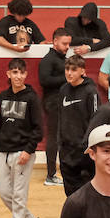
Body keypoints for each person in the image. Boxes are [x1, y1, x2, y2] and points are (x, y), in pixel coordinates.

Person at [0, 58, 47, 218]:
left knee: (19, 194)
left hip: (23, 152)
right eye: (14, 72)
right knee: (5, 193)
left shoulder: (31, 98)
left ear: (25, 74)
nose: (17, 76)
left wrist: (29, 149)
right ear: (8, 74)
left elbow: (38, 129)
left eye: (21, 72)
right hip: (3, 151)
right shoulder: (2, 96)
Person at [57, 54, 101, 197]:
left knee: (87, 194)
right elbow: (61, 118)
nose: (69, 73)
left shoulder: (91, 91)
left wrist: (87, 146)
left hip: (84, 153)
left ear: (82, 71)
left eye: (74, 69)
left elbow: (96, 120)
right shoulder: (63, 89)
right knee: (70, 195)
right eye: (67, 69)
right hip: (66, 152)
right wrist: (60, 144)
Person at [39, 28, 71, 186]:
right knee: (54, 138)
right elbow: (44, 80)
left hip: (62, 102)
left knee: (60, 137)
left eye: (68, 44)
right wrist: (67, 78)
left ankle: (55, 173)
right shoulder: (48, 59)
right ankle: (50, 175)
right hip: (53, 102)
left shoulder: (60, 59)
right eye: (64, 43)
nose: (67, 47)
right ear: (55, 41)